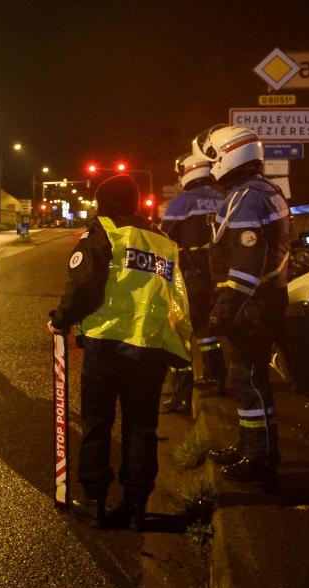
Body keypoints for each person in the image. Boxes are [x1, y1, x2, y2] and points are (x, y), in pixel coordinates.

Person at [47, 174, 192, 530]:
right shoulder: (163, 242)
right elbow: (179, 301)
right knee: (142, 427)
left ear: (103, 203)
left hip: (107, 346)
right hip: (151, 349)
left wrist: (61, 320)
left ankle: (95, 501)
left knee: (98, 423)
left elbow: (86, 287)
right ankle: (136, 506)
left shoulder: (103, 233)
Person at [195, 125, 291, 484]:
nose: (211, 165)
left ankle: (259, 458)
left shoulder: (247, 197)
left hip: (252, 305)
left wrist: (226, 307)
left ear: (228, 155)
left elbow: (247, 260)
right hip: (262, 301)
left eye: (213, 157)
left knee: (248, 379)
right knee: (248, 379)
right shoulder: (264, 190)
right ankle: (252, 444)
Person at [159, 147, 226, 414]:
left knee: (179, 333)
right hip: (219, 278)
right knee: (208, 331)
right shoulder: (223, 198)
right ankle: (216, 375)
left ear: (187, 173)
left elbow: (164, 238)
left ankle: (181, 393)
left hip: (191, 278)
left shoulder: (182, 202)